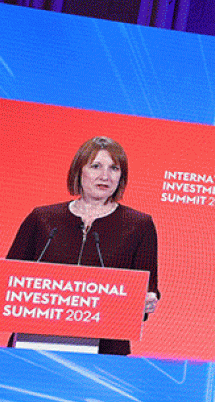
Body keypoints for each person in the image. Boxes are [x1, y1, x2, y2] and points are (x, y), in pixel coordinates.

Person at [7, 136, 160, 355]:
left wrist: (148, 300)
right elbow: (11, 280)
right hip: (33, 346)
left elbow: (149, 287)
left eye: (114, 168)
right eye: (96, 166)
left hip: (106, 350)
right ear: (79, 171)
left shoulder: (139, 225)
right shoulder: (42, 219)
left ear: (121, 176)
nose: (105, 176)